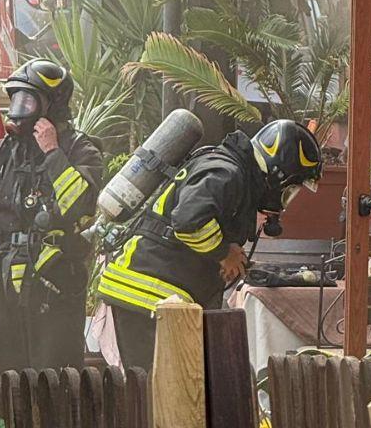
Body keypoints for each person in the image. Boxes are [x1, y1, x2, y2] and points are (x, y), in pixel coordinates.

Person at [99, 119, 324, 370]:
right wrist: (223, 253)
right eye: (290, 189)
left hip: (161, 296)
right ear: (278, 172)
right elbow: (188, 221)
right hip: (147, 293)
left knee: (180, 388)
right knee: (159, 391)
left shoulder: (232, 171)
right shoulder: (226, 173)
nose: (286, 198)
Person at [0, 59, 103, 370]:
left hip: (56, 280)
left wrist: (52, 152)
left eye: (28, 100)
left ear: (52, 106)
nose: (18, 109)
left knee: (55, 372)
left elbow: (80, 205)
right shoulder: (3, 151)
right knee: (8, 371)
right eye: (16, 99)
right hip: (7, 279)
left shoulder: (80, 150)